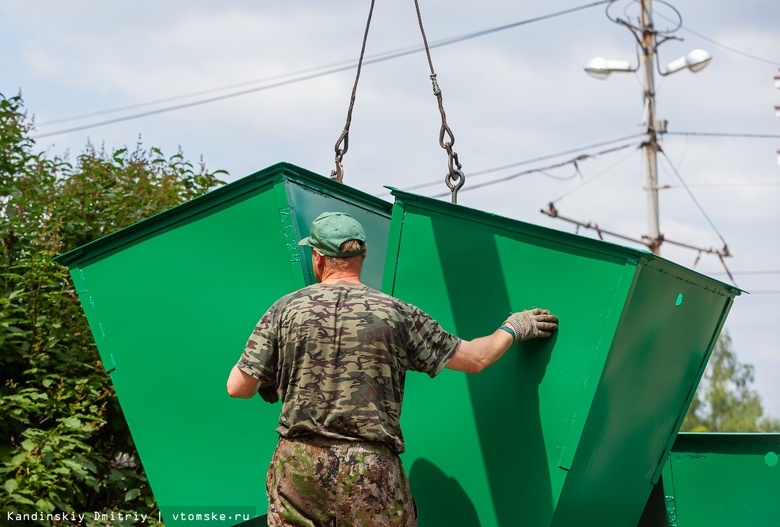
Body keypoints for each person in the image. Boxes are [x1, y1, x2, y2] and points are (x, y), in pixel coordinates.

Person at [227, 211, 558, 527]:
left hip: (299, 466)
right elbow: (475, 359)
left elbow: (238, 387)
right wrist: (516, 326)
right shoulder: (398, 314)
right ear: (363, 255)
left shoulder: (285, 309)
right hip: (369, 468)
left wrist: (274, 374)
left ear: (317, 256)